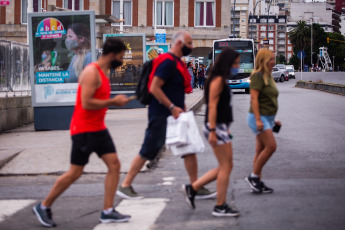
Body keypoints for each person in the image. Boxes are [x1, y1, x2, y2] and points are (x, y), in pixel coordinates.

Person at [32, 38, 131, 227]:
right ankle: (43, 206)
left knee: (114, 165)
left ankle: (108, 211)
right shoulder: (91, 73)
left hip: (98, 128)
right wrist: (113, 102)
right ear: (112, 54)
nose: (122, 59)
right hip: (84, 129)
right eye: (121, 55)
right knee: (75, 172)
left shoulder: (103, 72)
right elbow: (86, 103)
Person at [116, 31, 216, 200]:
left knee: (188, 149)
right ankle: (125, 185)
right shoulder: (167, 62)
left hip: (175, 115)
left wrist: (181, 109)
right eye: (190, 43)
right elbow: (155, 87)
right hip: (162, 115)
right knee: (148, 150)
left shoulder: (176, 62)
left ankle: (195, 186)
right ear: (179, 43)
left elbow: (175, 90)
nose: (192, 47)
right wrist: (172, 107)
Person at [182, 47, 240, 217]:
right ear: (227, 63)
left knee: (227, 165)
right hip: (215, 127)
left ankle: (192, 188)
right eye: (235, 63)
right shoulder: (217, 80)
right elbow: (212, 105)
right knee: (226, 166)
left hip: (220, 126)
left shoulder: (221, 79)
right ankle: (220, 205)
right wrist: (214, 131)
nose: (237, 66)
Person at [245, 48, 281, 193]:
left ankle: (257, 182)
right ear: (264, 60)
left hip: (267, 117)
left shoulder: (268, 76)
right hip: (257, 117)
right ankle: (253, 177)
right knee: (271, 146)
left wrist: (274, 120)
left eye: (274, 58)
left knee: (260, 149)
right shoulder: (258, 76)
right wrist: (259, 120)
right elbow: (254, 98)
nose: (274, 61)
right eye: (271, 59)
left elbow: (268, 100)